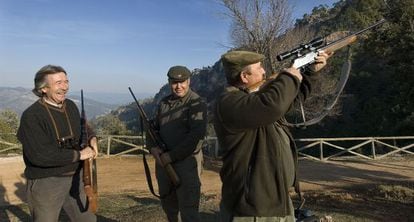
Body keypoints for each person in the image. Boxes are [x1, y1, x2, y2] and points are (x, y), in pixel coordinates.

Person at [214, 50, 331, 221]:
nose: (264, 71)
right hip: (254, 209)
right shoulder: (230, 103)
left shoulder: (253, 101)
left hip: (275, 200)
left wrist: (310, 73)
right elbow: (274, 105)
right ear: (244, 76)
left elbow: (286, 102)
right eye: (259, 68)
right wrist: (290, 75)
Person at [17, 65, 98, 222]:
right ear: (43, 88)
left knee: (87, 220)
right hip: (46, 183)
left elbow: (83, 127)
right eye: (58, 83)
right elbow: (40, 156)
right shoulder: (31, 116)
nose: (65, 87)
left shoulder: (71, 106)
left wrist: (92, 137)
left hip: (77, 179)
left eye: (66, 81)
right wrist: (80, 154)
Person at [146, 65, 207, 222]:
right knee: (169, 207)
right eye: (174, 82)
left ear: (189, 81)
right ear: (169, 82)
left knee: (189, 211)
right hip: (164, 164)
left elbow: (195, 137)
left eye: (182, 82)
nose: (178, 86)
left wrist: (171, 156)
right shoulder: (164, 103)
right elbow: (152, 130)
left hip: (187, 163)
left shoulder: (196, 103)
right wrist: (152, 148)